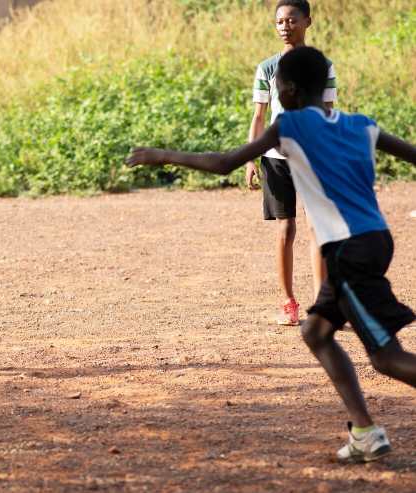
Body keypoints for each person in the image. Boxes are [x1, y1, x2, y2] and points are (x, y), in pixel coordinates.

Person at [126, 46, 416, 462]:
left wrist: (163, 155)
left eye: (278, 86)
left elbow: (226, 162)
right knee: (315, 332)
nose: (278, 92)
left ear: (291, 90)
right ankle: (365, 433)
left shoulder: (290, 125)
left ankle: (368, 432)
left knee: (387, 358)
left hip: (348, 249)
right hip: (373, 240)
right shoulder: (361, 124)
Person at [246, 0, 337, 325]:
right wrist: (251, 158)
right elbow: (259, 116)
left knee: (317, 229)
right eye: (280, 22)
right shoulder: (268, 67)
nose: (285, 26)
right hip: (276, 158)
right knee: (286, 228)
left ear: (307, 22)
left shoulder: (322, 66)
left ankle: (321, 304)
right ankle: (288, 302)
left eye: (292, 20)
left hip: (311, 158)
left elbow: (328, 113)